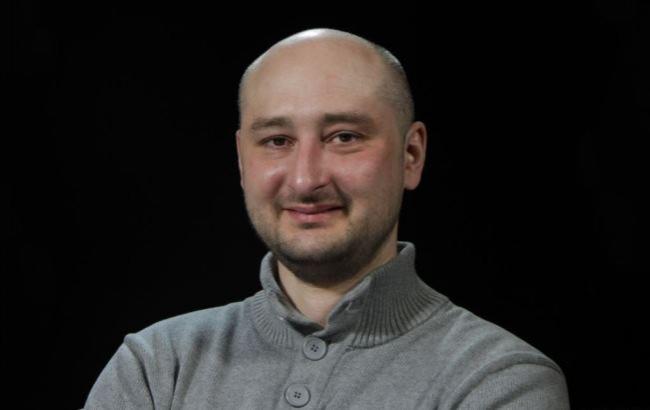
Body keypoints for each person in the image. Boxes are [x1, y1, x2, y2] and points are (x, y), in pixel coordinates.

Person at [84, 28, 570, 409]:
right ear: (241, 161)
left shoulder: (499, 379)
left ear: (411, 155)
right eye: (277, 141)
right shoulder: (156, 366)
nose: (305, 179)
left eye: (344, 137)